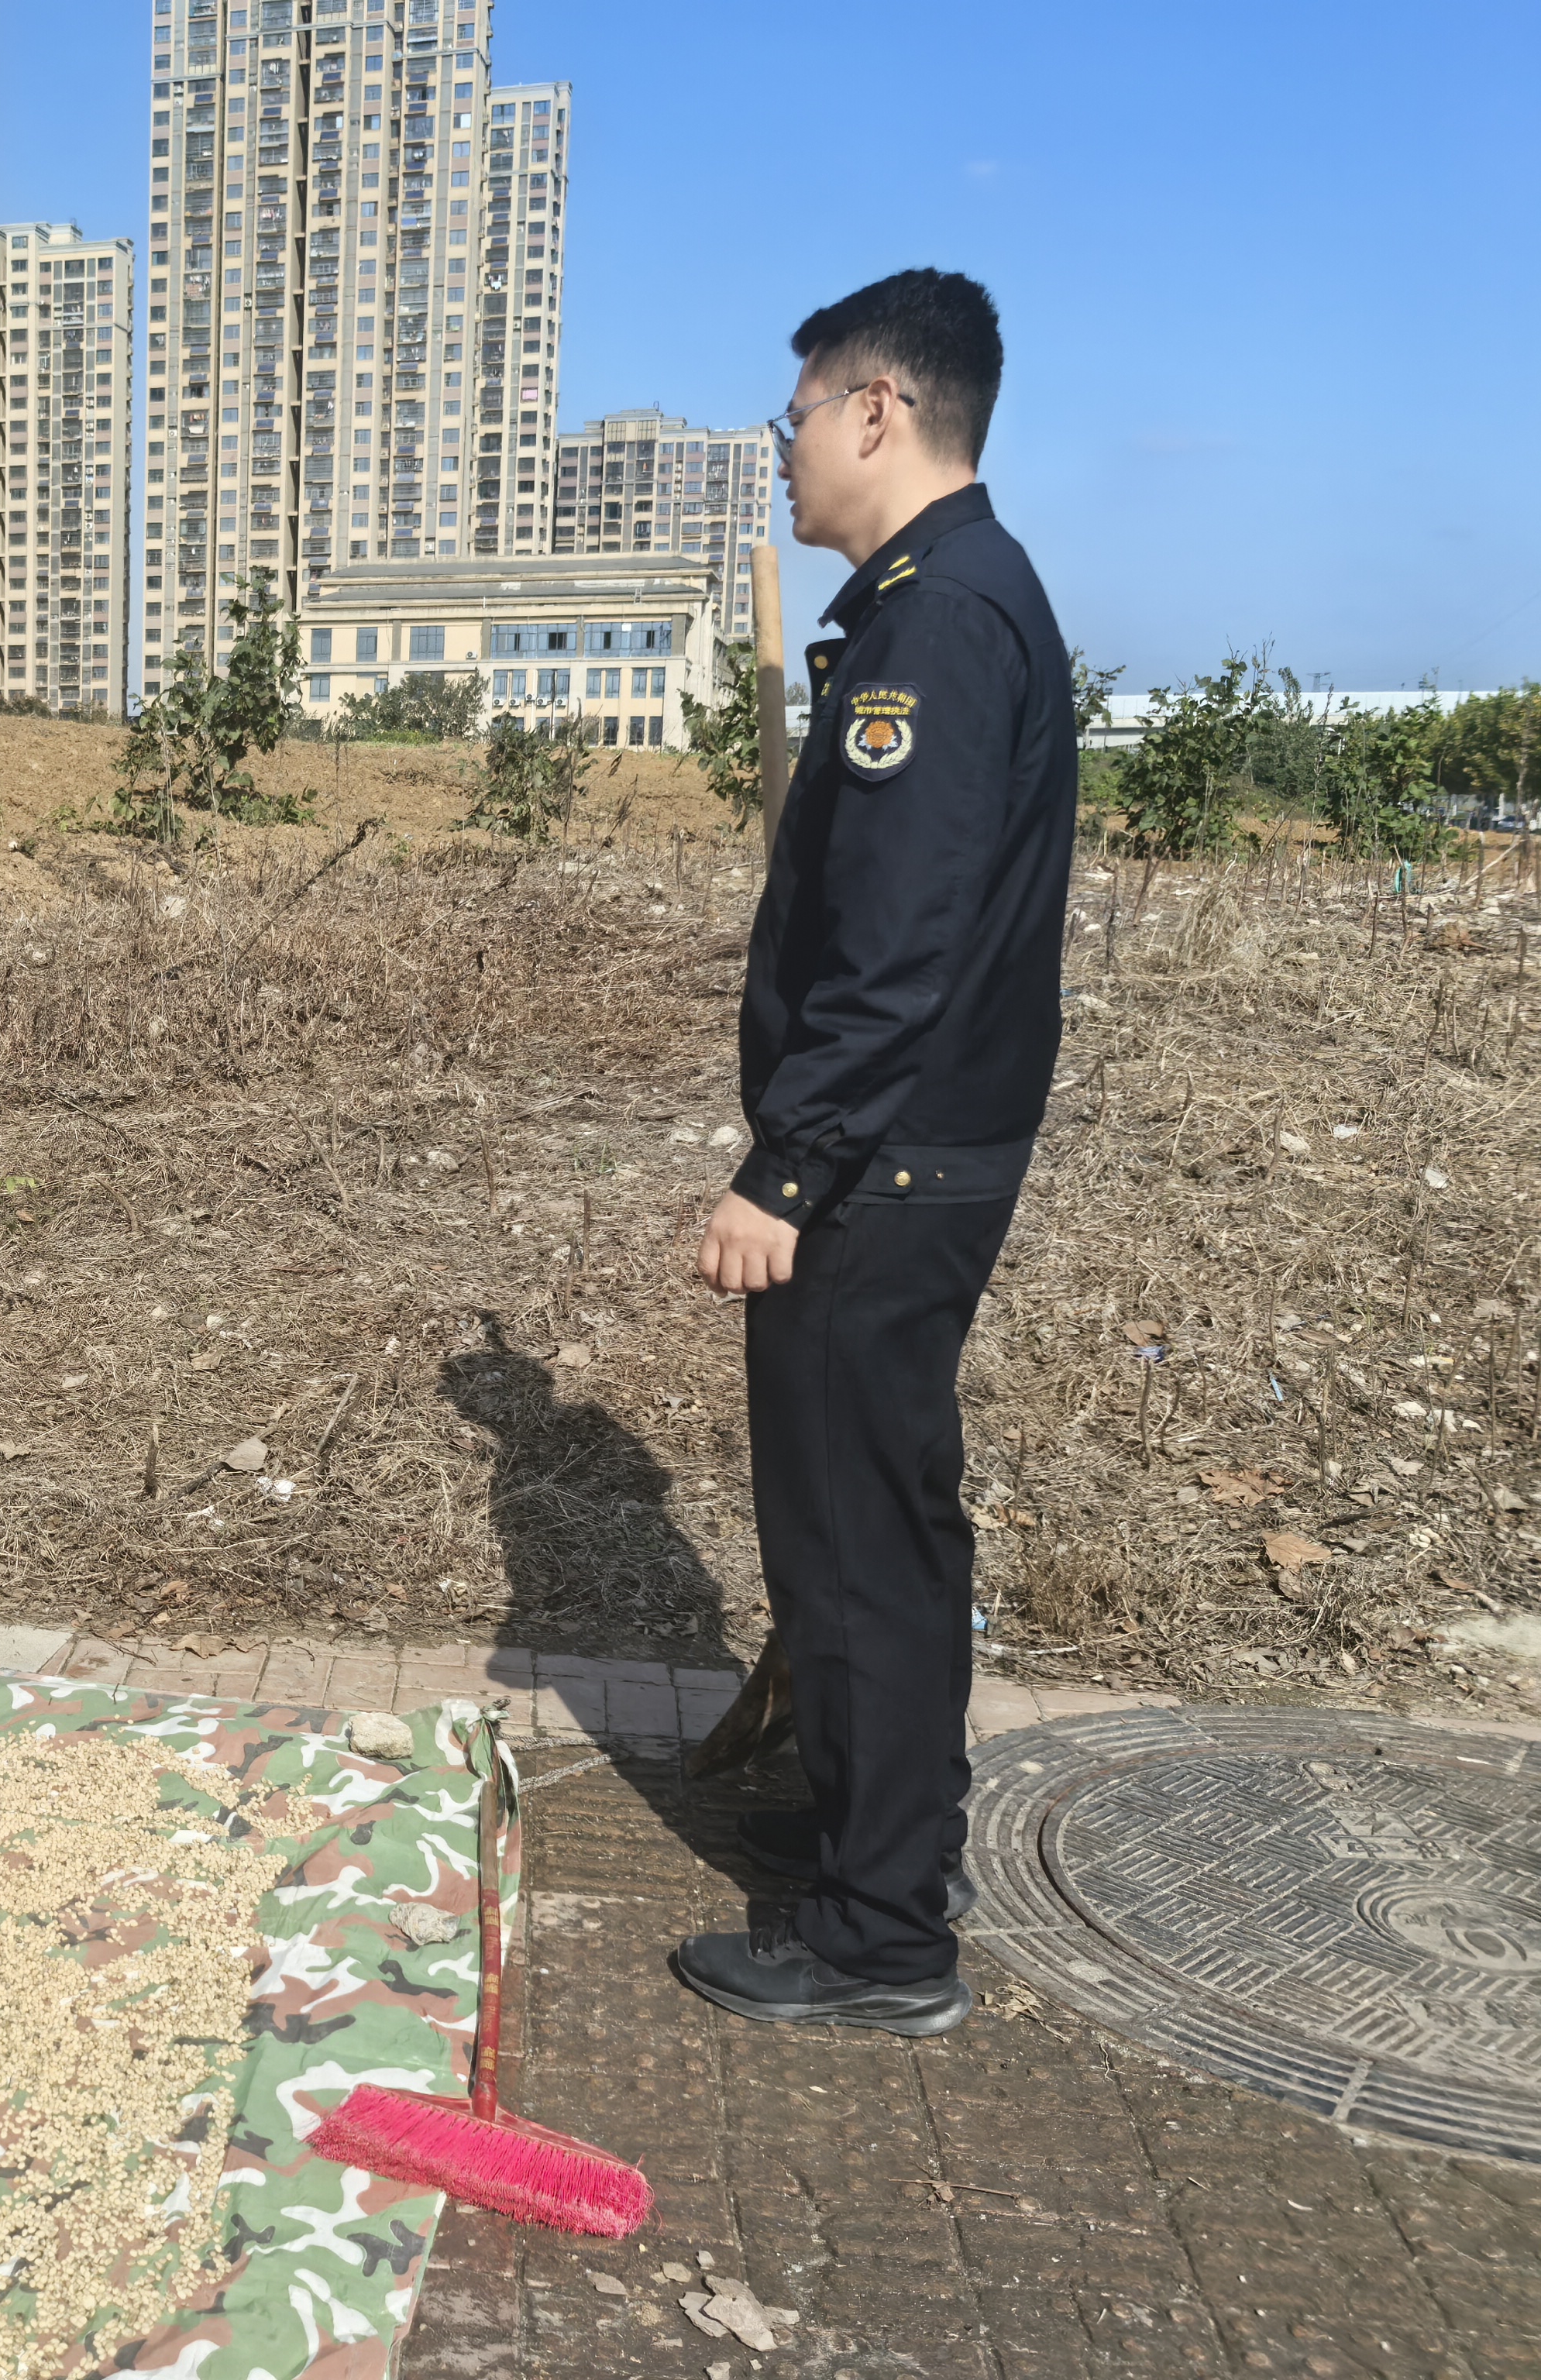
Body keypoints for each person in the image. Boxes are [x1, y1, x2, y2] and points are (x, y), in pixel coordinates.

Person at [673, 270, 1074, 2036]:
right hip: (918, 1151)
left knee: (850, 1540)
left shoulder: (938, 623)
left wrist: (785, 1170)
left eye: (792, 420)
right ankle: (892, 1841)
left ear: (875, 411)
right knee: (891, 1523)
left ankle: (875, 1940)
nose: (781, 455)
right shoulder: (950, 600)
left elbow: (896, 946)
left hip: (881, 1167)